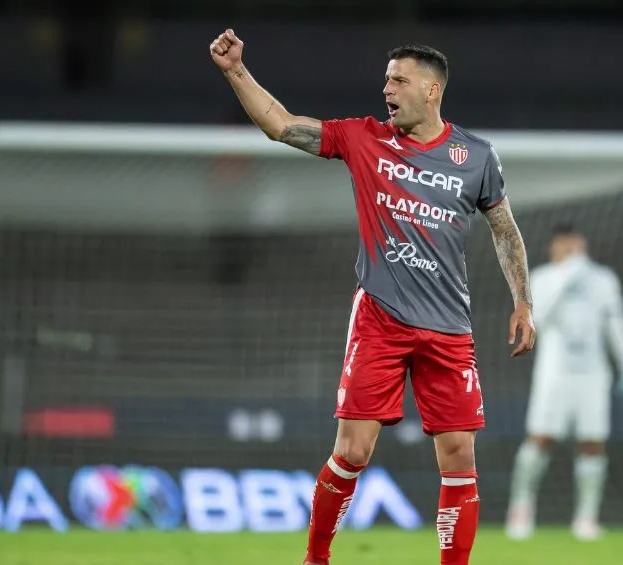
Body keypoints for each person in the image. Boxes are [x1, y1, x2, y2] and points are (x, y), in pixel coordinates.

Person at [210, 29, 536, 565]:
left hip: (449, 328)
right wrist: (235, 71)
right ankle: (316, 559)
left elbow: (504, 229)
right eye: (386, 79)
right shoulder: (364, 138)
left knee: (459, 456)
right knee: (353, 452)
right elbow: (281, 125)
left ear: (432, 91)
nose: (387, 89)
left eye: (399, 80)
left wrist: (523, 300)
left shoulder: (475, 156)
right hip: (379, 320)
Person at [505, 224, 623, 541]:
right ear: (553, 248)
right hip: (554, 374)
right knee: (540, 438)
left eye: (574, 245)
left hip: (593, 375)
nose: (569, 251)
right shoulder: (540, 279)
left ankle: (586, 518)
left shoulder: (602, 280)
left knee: (593, 442)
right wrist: (567, 276)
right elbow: (537, 320)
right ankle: (521, 508)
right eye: (563, 246)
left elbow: (617, 329)